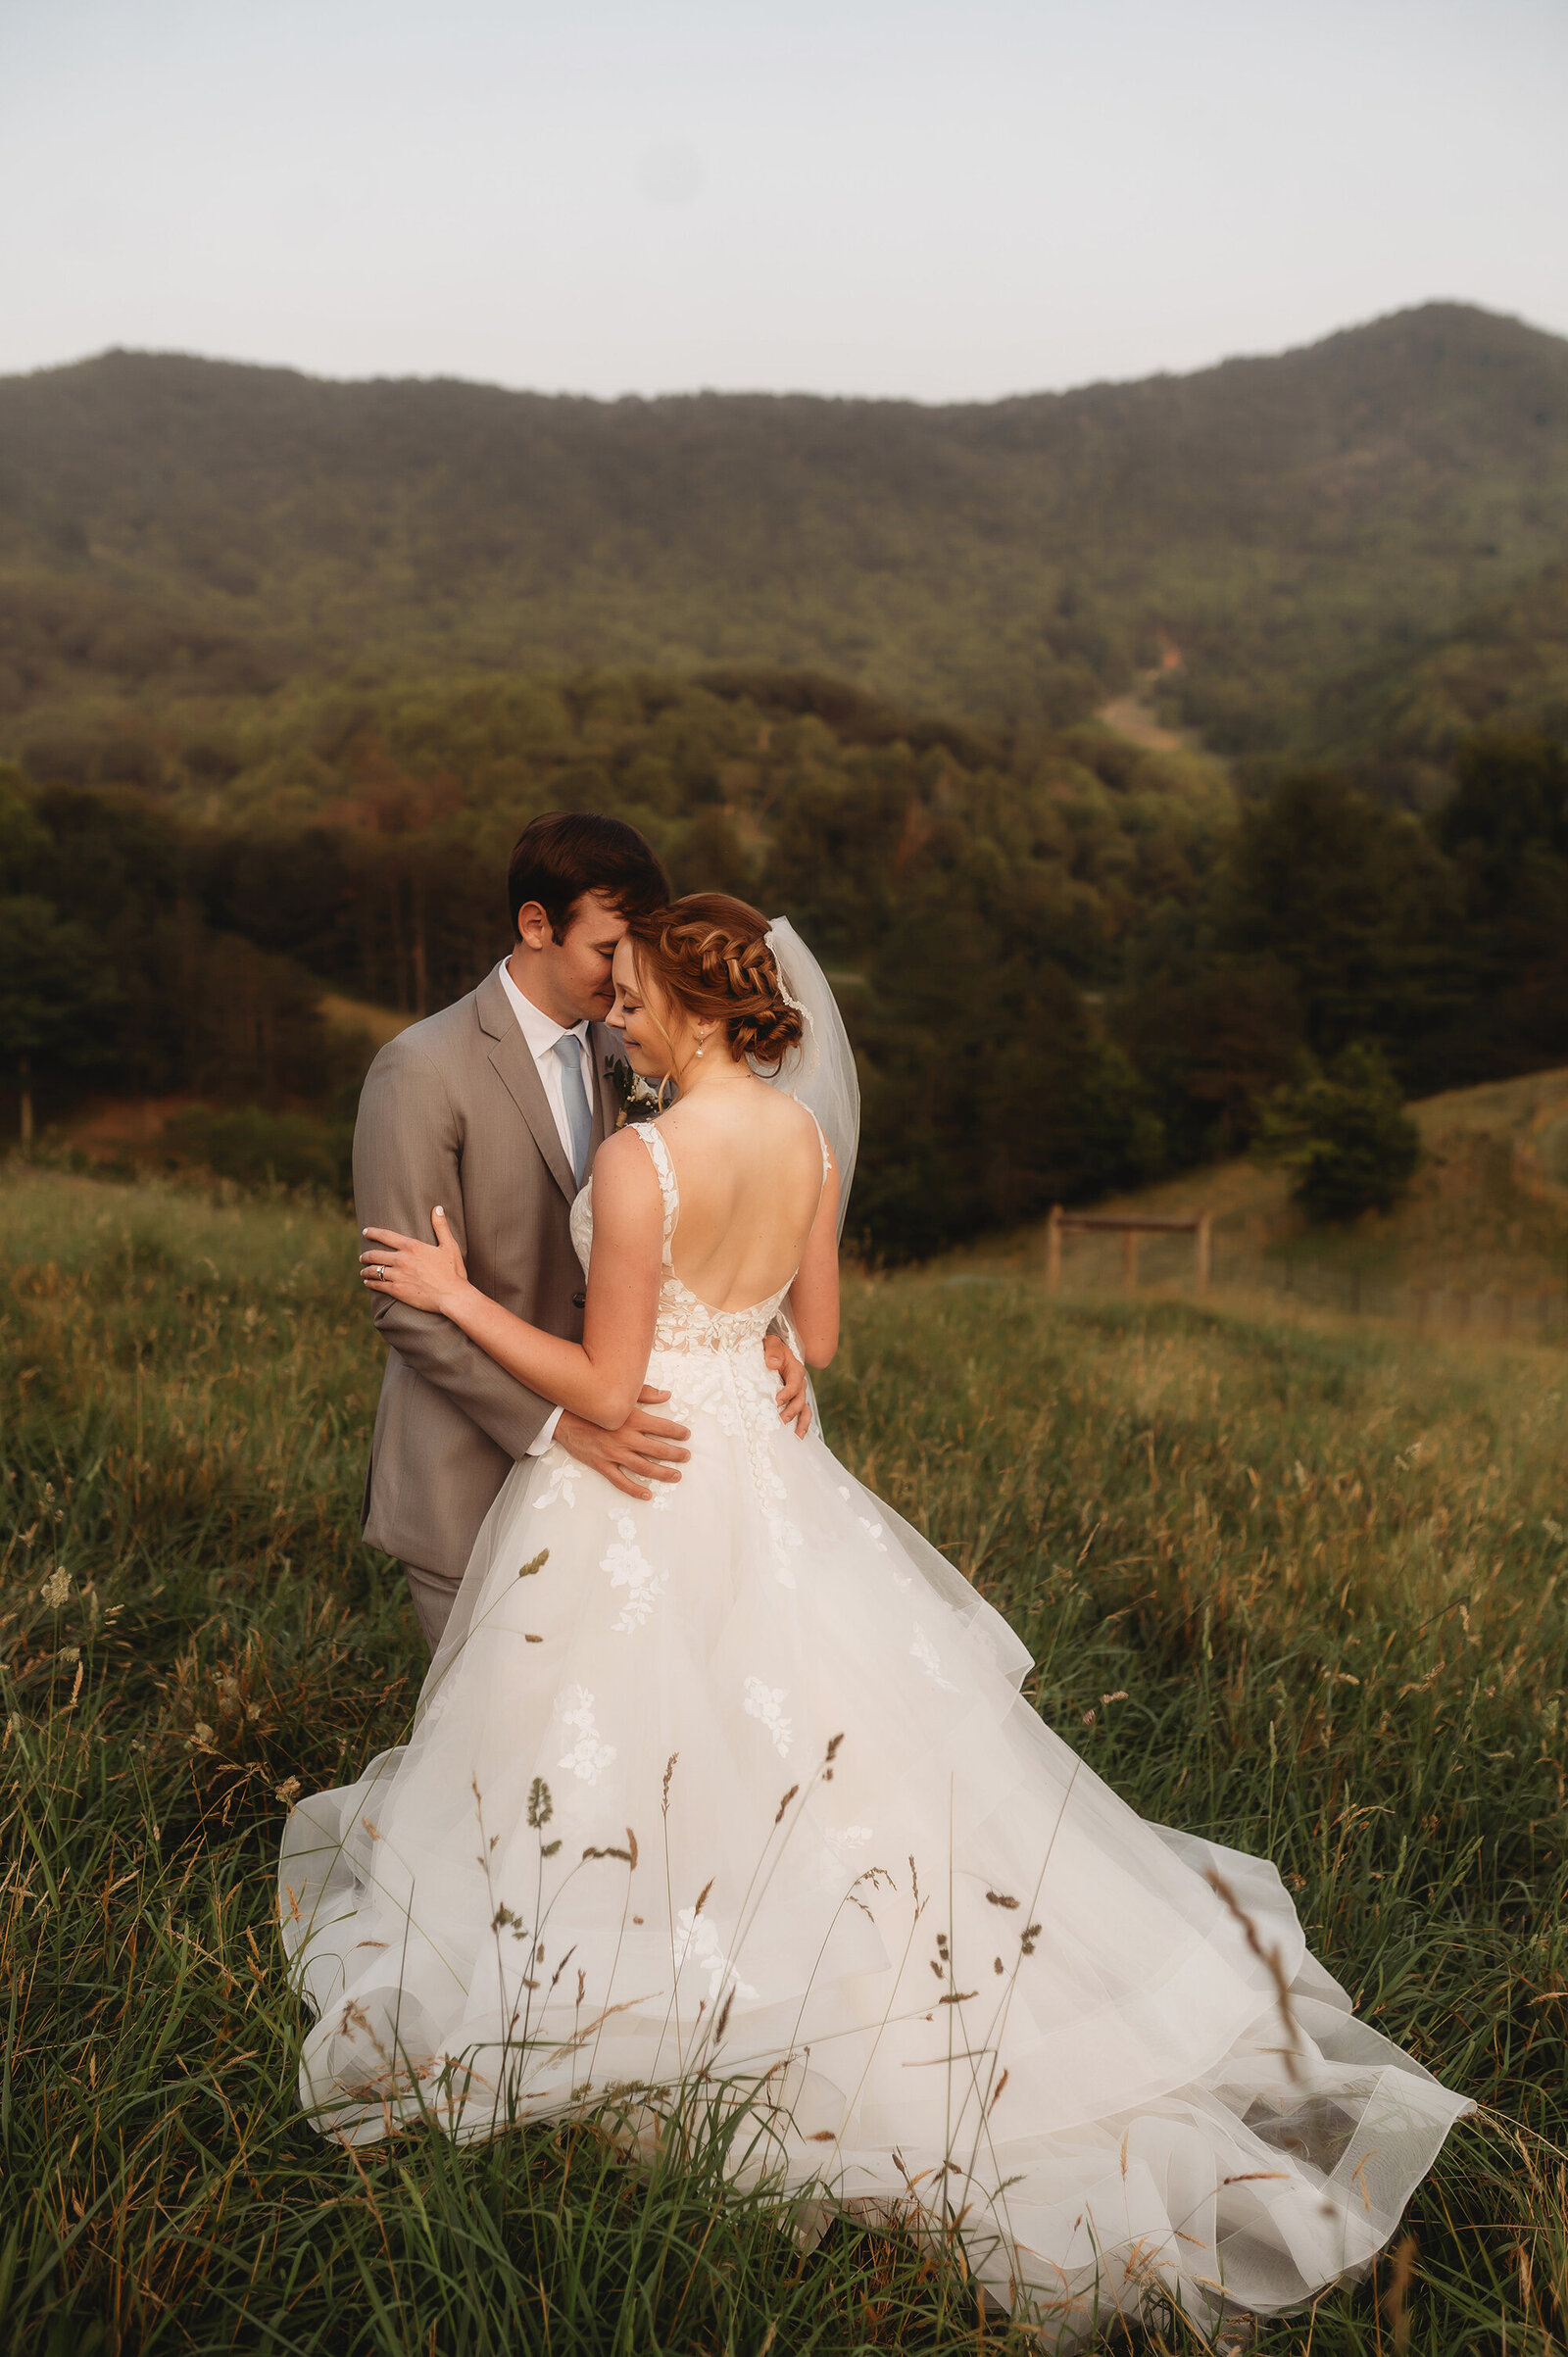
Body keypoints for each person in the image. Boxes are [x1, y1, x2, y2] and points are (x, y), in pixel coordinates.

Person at [283, 895, 1467, 2347]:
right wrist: (761, 1345)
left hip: (645, 1481)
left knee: (629, 1741)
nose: (619, 1015)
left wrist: (458, 1294)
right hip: (769, 1479)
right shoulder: (805, 1144)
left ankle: (645, 1982)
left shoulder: (640, 1158)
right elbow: (818, 1336)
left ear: (707, 1010)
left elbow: (600, 1393)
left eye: (641, 994)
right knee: (821, 1752)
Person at [351, 813, 808, 1649]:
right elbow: (403, 1303)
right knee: (489, 1758)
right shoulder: (420, 1068)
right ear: (536, 924)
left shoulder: (639, 1044)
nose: (629, 973)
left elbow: (699, 1207)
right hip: (471, 1474)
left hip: (626, 1487)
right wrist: (560, 1424)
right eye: (609, 950)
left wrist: (764, 1331)